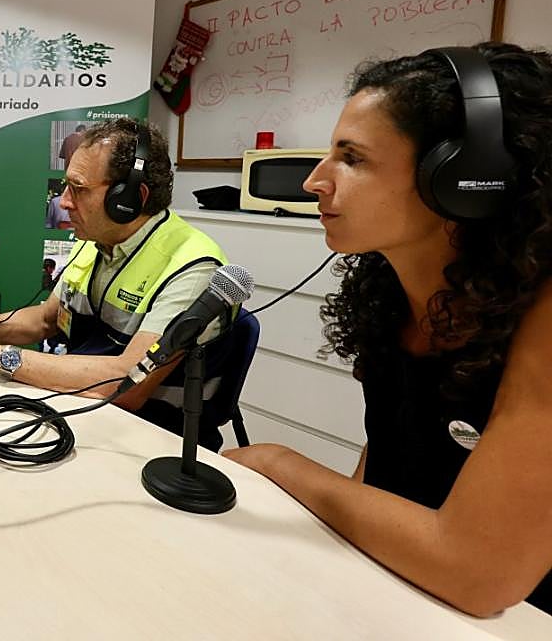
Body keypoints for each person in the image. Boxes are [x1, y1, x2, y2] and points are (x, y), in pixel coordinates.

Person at [224, 43, 552, 616]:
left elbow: (481, 576)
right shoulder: (388, 288)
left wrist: (279, 464)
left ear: (463, 178)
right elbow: (390, 459)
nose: (314, 182)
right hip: (412, 596)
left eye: (352, 159)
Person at [0, 117, 232, 444]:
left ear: (129, 199)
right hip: (82, 413)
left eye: (79, 188)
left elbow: (128, 382)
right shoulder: (97, 240)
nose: (63, 202)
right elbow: (45, 320)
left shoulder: (194, 268)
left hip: (155, 440)